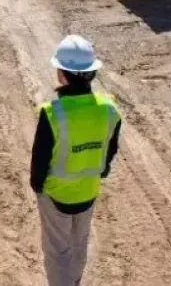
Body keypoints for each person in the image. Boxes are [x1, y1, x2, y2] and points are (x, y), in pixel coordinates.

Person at [30, 35, 122, 286]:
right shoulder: (109, 108)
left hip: (56, 194)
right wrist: (100, 172)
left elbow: (40, 159)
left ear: (62, 74)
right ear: (92, 73)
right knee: (79, 244)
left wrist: (37, 186)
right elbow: (110, 149)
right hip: (88, 191)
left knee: (57, 252)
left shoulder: (53, 113)